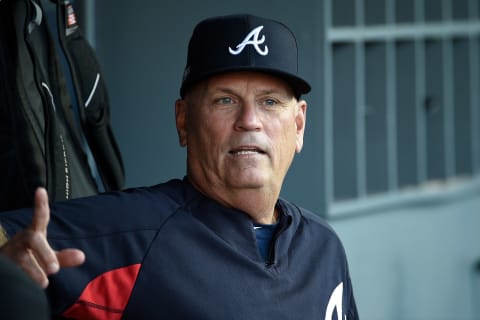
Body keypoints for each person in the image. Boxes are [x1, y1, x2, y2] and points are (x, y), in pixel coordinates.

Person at [0, 14, 359, 319]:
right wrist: (6, 270)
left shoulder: (324, 248)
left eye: (269, 101)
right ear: (183, 121)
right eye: (225, 100)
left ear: (298, 125)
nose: (249, 121)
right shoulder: (130, 234)